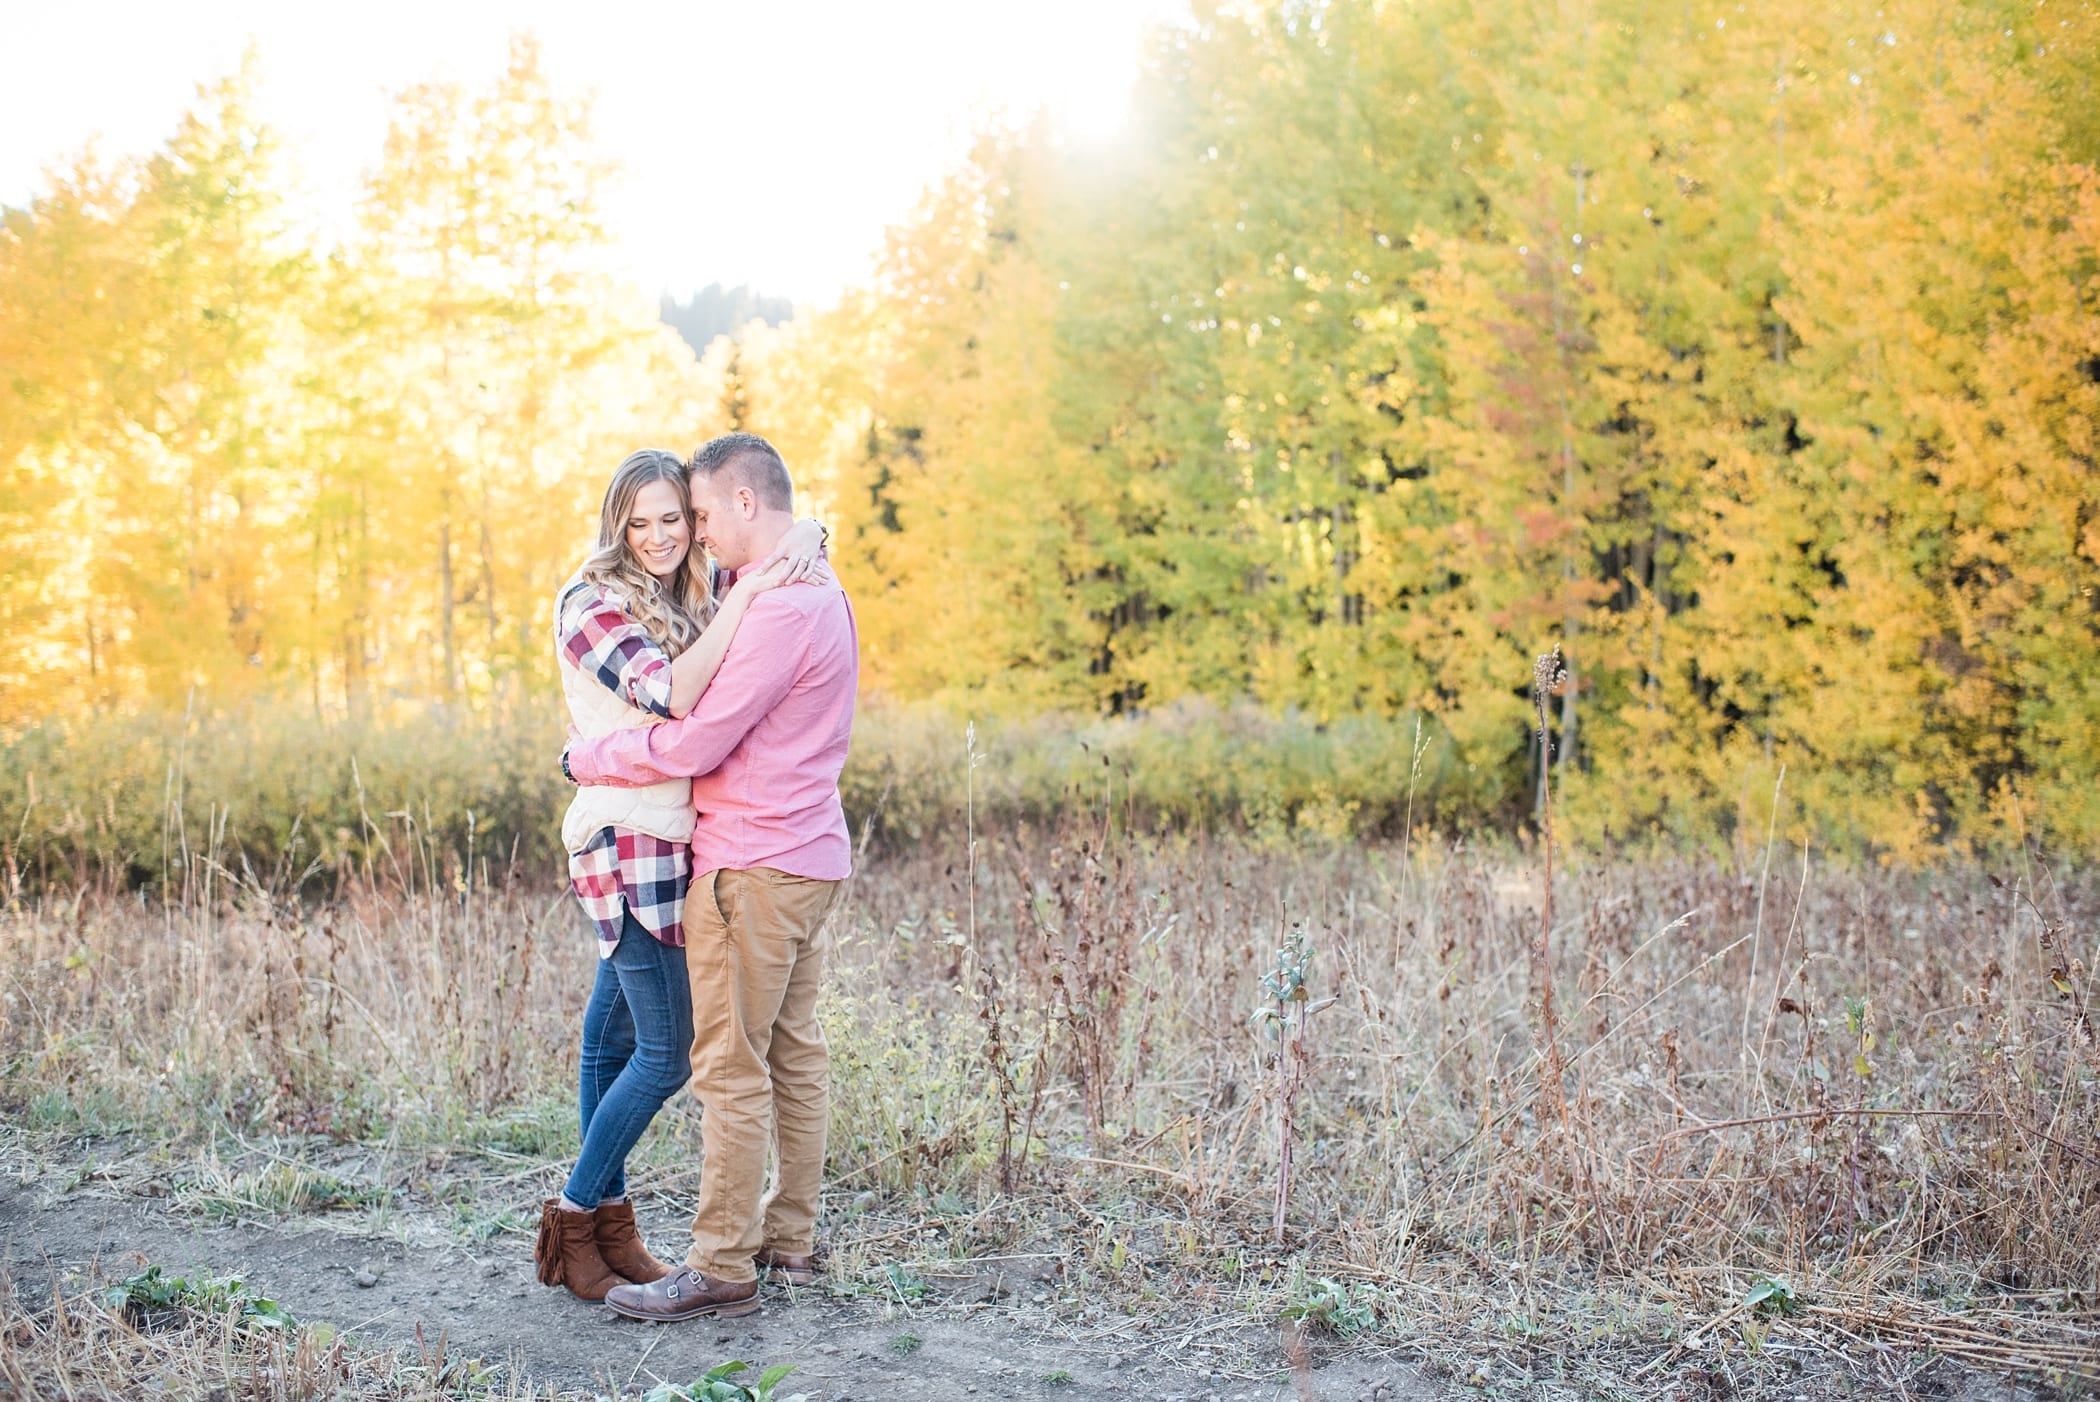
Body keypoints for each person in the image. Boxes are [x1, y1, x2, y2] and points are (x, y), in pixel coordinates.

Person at [563, 432, 858, 1323]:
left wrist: (588, 756)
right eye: (654, 520)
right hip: (801, 855)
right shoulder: (809, 588)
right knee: (790, 1054)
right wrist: (806, 534)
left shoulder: (771, 604)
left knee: (723, 1066)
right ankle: (788, 1239)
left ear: (737, 506)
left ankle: (721, 1261)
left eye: (691, 515)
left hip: (751, 863)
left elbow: (693, 737)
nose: (683, 534)